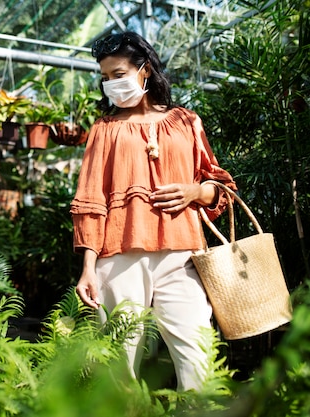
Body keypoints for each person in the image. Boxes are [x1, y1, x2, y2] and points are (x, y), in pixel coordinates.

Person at [71, 31, 236, 391]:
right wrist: (88, 269)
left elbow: (220, 185)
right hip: (119, 256)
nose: (110, 84)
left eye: (118, 74)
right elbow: (91, 200)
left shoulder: (185, 122)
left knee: (198, 354)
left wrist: (196, 191)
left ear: (144, 71)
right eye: (104, 77)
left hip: (183, 254)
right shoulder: (104, 129)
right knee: (119, 364)